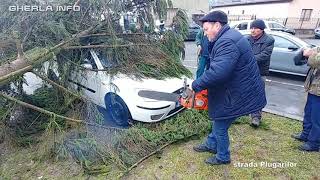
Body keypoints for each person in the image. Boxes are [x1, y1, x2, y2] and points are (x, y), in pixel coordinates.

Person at [191, 10, 266, 165]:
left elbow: (218, 72)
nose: (205, 34)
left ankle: (223, 157)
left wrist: (196, 85)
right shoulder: (228, 36)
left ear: (217, 25)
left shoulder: (227, 42)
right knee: (219, 119)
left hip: (238, 93)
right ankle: (211, 144)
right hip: (238, 88)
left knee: (220, 126)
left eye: (206, 29)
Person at [246, 19, 275, 127]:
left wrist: (249, 59)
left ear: (261, 30)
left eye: (255, 28)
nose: (253, 30)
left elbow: (265, 55)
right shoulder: (247, 39)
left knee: (257, 94)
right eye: (252, 28)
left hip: (259, 71)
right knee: (244, 91)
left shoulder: (269, 40)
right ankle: (243, 112)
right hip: (247, 70)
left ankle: (256, 117)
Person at [291, 47, 320, 152]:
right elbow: (299, 60)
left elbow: (315, 61)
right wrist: (304, 52)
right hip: (313, 88)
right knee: (309, 113)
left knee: (317, 118)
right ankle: (305, 134)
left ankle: (314, 143)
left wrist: (310, 54)